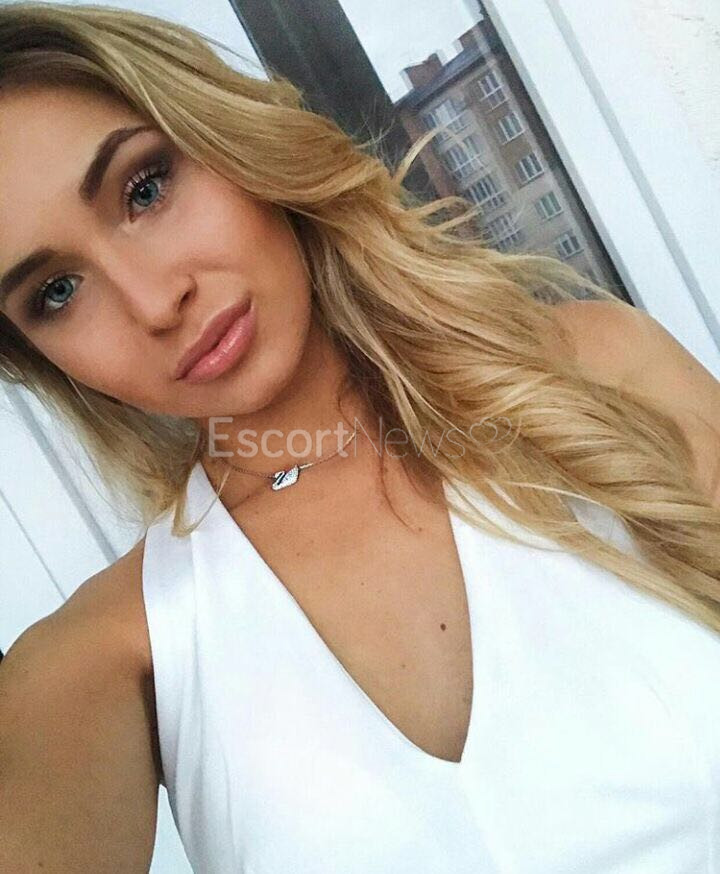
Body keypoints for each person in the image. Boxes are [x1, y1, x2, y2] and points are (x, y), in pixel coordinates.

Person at [0, 3, 718, 872]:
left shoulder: (601, 372)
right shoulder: (105, 656)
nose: (155, 303)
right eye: (57, 292)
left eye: (146, 189)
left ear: (230, 135)